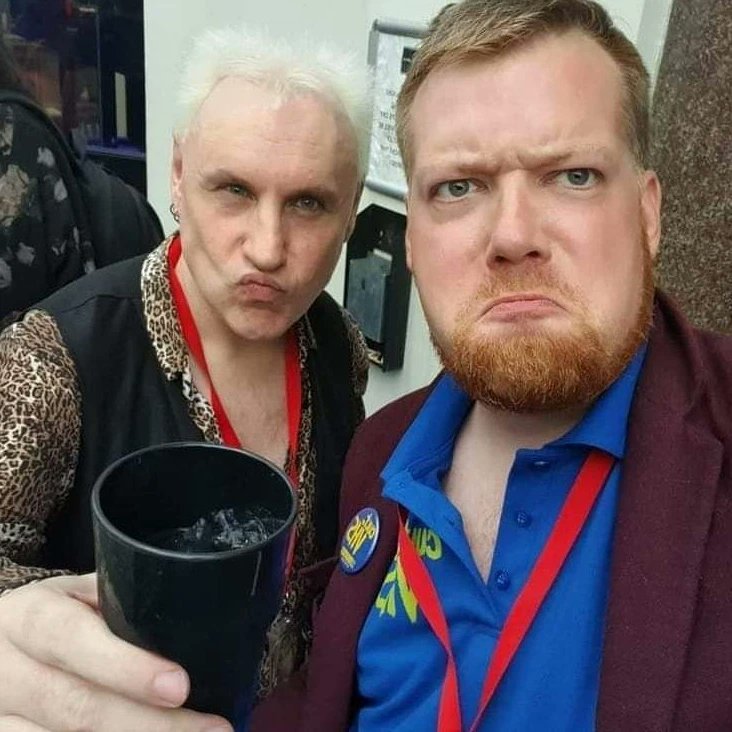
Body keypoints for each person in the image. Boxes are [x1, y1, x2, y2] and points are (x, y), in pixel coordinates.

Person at [251, 1, 732, 731]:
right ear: (412, 241)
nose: (512, 236)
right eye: (459, 187)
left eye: (572, 175)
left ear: (648, 213)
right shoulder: (380, 451)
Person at [0, 25, 370, 732]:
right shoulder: (54, 360)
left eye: (308, 203)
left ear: (351, 208)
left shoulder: (337, 345)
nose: (267, 247)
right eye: (233, 189)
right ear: (176, 174)